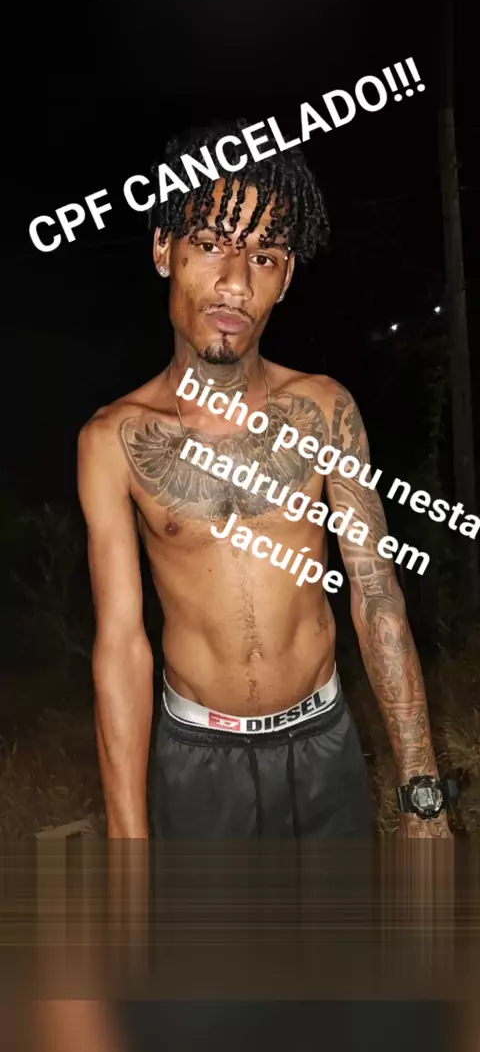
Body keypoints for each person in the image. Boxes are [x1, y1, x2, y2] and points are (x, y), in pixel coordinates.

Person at [77, 120, 453, 839]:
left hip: (325, 744)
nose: (235, 282)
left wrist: (422, 795)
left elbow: (377, 598)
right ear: (164, 249)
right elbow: (121, 645)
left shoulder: (326, 410)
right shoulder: (112, 439)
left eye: (265, 256)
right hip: (196, 759)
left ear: (285, 279)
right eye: (211, 244)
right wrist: (128, 848)